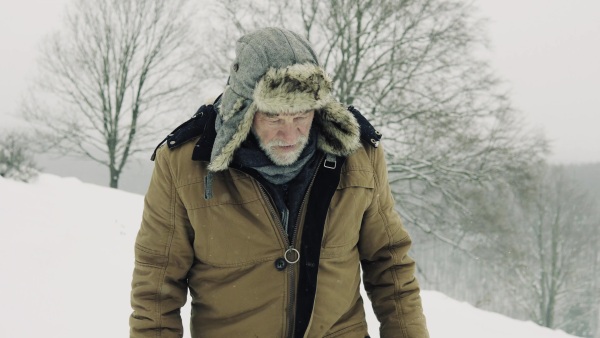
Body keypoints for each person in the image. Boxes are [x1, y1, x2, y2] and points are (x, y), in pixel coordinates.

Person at [130, 27, 429, 338]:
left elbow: (390, 266)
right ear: (244, 110)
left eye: (301, 115)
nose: (290, 135)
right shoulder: (184, 163)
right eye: (273, 117)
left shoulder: (358, 156)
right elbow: (156, 288)